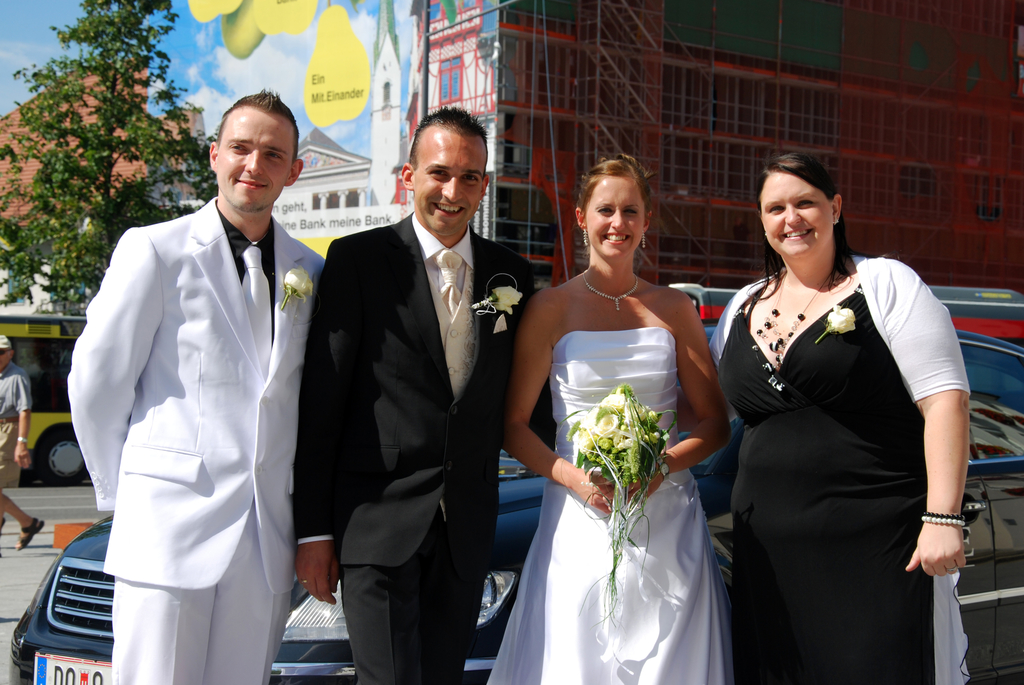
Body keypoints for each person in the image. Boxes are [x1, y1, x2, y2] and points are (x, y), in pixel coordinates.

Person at [68, 91, 324, 685]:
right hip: (166, 529)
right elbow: (97, 383)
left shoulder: (310, 270)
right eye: (240, 148)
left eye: (272, 154)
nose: (254, 165)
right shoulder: (154, 250)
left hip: (264, 539)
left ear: (293, 171)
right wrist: (130, 496)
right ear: (214, 155)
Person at [292, 106, 536, 685]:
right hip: (375, 525)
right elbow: (322, 406)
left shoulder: (511, 275)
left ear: (484, 185)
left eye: (469, 177)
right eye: (439, 173)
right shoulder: (357, 261)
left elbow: (524, 401)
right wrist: (313, 532)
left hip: (466, 529)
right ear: (409, 176)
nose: (453, 191)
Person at [709, 152, 970, 684]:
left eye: (805, 202)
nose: (791, 218)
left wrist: (942, 517)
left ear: (835, 207)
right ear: (762, 219)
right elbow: (710, 413)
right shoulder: (742, 306)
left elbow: (945, 399)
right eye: (776, 208)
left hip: (876, 543)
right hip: (768, 555)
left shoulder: (886, 283)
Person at [489, 154, 734, 684]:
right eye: (605, 210)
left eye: (630, 211)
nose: (617, 223)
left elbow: (714, 423)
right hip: (578, 515)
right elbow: (513, 426)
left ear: (647, 221)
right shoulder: (550, 308)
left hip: (667, 518)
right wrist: (574, 479)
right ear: (581, 218)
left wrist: (660, 468)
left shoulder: (675, 308)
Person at [0, 335, 43, 555]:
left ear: (10, 353)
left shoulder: (17, 376)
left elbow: (25, 410)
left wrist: (22, 443)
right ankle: (28, 522)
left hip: (7, 431)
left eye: (1, 352)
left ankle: (27, 522)